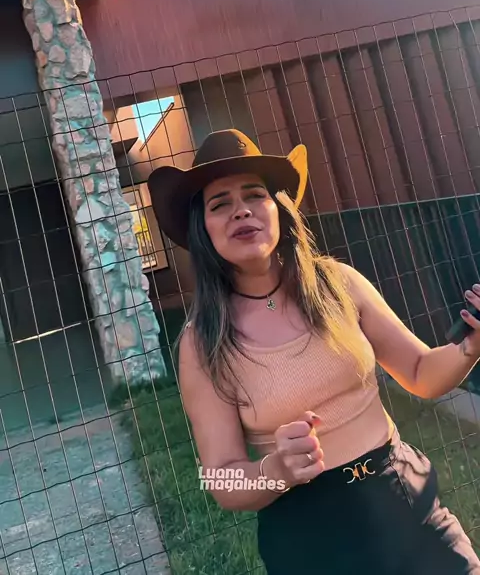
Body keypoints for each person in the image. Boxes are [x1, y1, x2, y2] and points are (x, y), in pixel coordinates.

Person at [148, 129, 480, 574]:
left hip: (405, 500)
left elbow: (420, 371)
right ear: (202, 229)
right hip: (310, 537)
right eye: (219, 204)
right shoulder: (202, 341)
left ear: (278, 208)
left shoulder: (339, 283)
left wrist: (470, 346)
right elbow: (221, 478)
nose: (241, 209)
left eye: (255, 195)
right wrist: (277, 469)